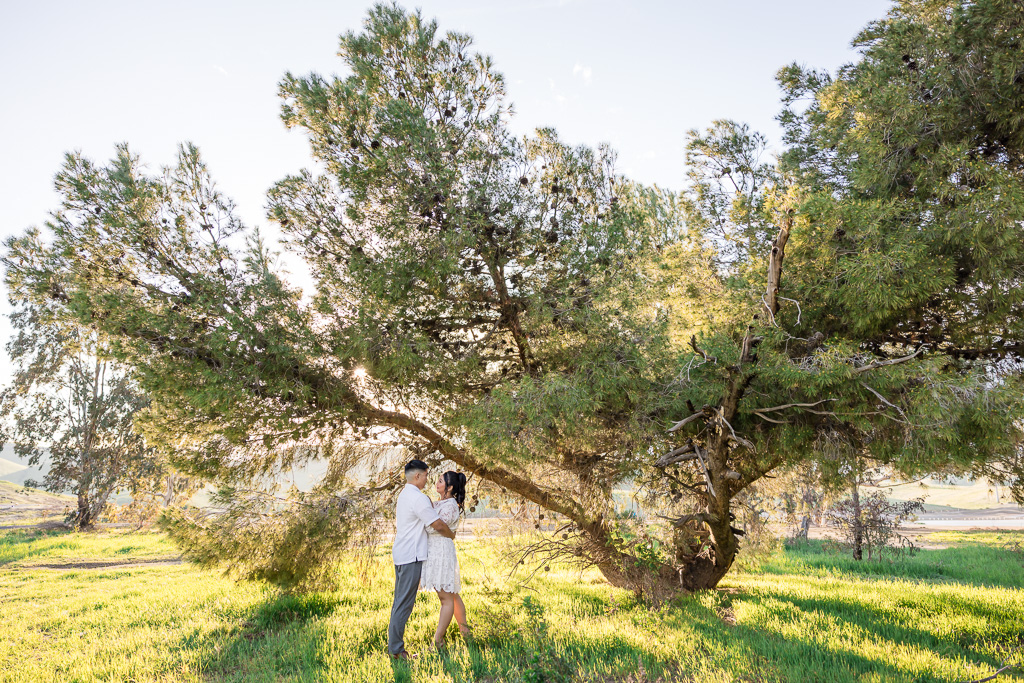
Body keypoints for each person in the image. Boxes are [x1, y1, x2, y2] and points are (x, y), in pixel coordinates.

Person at [388, 459, 455, 661]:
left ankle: (395, 648)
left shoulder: (404, 494)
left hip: (402, 554)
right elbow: (437, 524)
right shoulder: (418, 498)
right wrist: (451, 535)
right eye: (426, 475)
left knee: (399, 602)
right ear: (417, 476)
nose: (428, 479)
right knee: (404, 604)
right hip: (411, 556)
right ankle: (397, 652)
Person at [419, 470, 472, 648]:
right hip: (435, 550)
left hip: (441, 551)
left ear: (449, 488)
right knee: (452, 595)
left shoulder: (450, 506)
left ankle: (438, 640)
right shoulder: (439, 503)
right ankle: (466, 634)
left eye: (441, 481)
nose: (437, 483)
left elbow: (437, 527)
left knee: (445, 598)